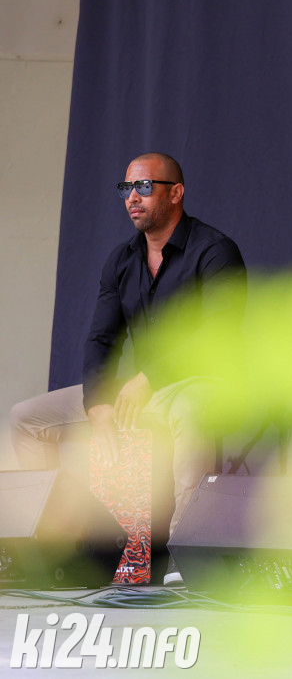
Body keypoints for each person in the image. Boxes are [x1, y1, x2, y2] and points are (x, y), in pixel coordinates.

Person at [9, 153, 246, 581]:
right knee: (26, 420)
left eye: (143, 187)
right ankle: (59, 541)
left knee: (191, 414)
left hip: (196, 383)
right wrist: (98, 404)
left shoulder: (215, 252)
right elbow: (101, 338)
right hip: (140, 389)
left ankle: (181, 556)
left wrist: (149, 378)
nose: (131, 197)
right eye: (125, 188)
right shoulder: (122, 260)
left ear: (176, 193)